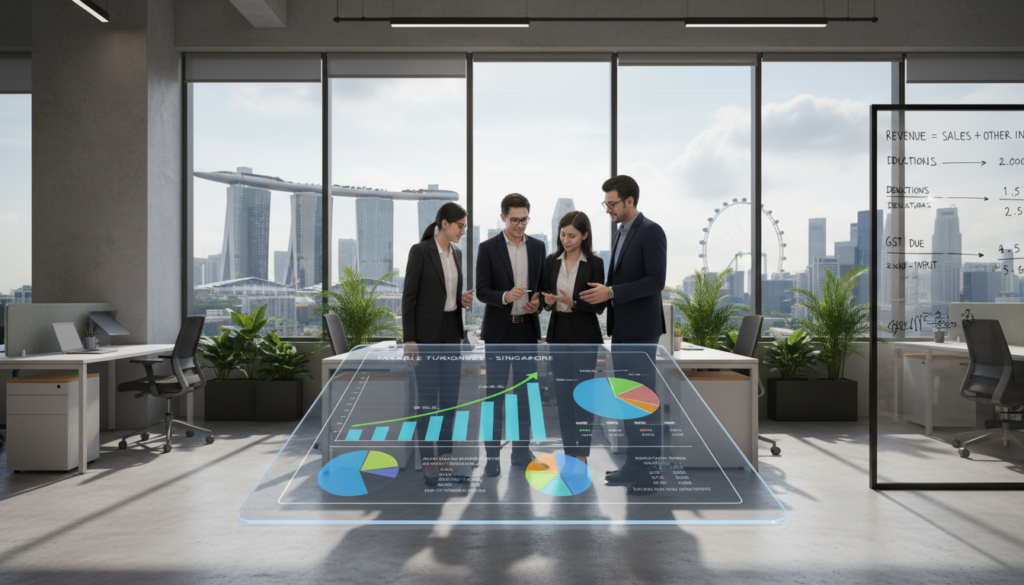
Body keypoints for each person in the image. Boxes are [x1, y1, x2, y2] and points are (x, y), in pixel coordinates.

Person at [579, 175, 667, 492]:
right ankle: (634, 465)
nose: (608, 209)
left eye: (612, 203)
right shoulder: (620, 234)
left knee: (642, 401)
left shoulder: (651, 231)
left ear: (630, 201)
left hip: (642, 331)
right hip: (624, 331)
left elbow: (656, 281)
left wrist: (612, 292)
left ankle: (650, 474)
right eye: (606, 204)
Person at [402, 202, 475, 487]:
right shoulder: (420, 251)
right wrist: (410, 339)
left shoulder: (456, 253)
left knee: (449, 404)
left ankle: (445, 464)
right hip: (426, 338)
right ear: (444, 223)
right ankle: (430, 468)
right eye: (460, 226)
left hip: (450, 333)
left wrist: (461, 301)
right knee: (428, 404)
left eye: (465, 227)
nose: (463, 231)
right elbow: (409, 298)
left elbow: (446, 294)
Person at [475, 193, 546, 477]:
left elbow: (543, 287)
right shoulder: (487, 248)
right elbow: (481, 290)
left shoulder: (539, 247)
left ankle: (520, 452)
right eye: (515, 220)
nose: (520, 225)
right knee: (494, 397)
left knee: (525, 397)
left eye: (524, 219)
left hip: (527, 330)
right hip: (498, 334)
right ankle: (492, 457)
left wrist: (538, 303)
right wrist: (505, 296)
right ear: (503, 217)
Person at [541, 210, 605, 465]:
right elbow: (546, 299)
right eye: (563, 234)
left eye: (572, 235)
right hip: (558, 332)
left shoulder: (595, 264)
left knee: (583, 396)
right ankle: (570, 454)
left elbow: (599, 306)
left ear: (584, 235)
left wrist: (574, 302)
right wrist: (547, 301)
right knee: (563, 395)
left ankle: (582, 455)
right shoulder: (551, 261)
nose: (566, 240)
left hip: (584, 334)